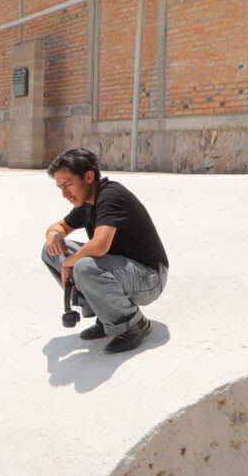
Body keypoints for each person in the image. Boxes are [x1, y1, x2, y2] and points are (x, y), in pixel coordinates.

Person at [41, 148, 169, 353]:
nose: (64, 194)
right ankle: (106, 316)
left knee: (84, 266)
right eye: (60, 187)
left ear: (88, 176)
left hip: (150, 277)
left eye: (67, 185)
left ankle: (133, 325)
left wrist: (68, 263)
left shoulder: (110, 196)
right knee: (51, 251)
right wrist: (53, 237)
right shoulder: (87, 203)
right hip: (122, 269)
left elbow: (100, 245)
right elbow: (58, 228)